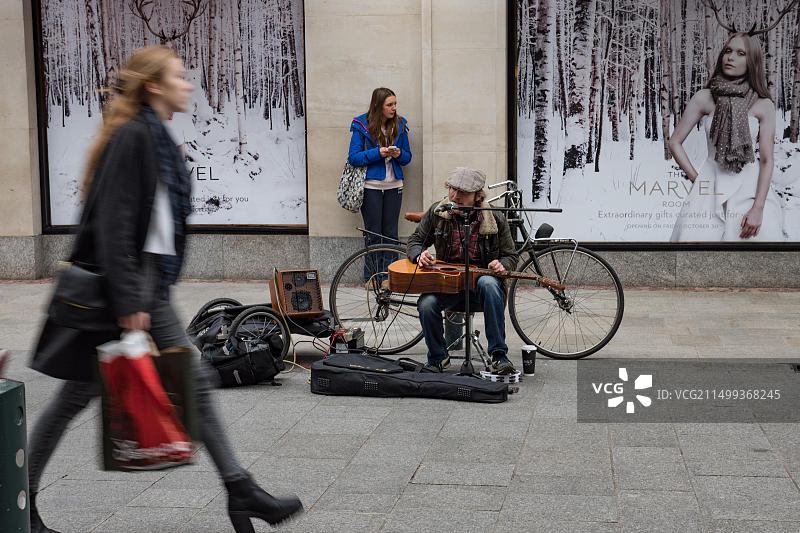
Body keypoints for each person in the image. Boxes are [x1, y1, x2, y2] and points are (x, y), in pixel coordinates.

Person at [27, 46, 302, 533]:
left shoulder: (151, 136)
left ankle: (240, 491)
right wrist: (131, 302)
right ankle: (18, 500)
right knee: (73, 399)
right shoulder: (134, 136)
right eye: (179, 76)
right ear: (154, 85)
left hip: (146, 284)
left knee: (193, 380)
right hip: (127, 289)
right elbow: (114, 224)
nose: (188, 84)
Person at [668, 32, 784, 242]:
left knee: (756, 261)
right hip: (709, 187)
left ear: (752, 62)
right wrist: (698, 181)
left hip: (749, 190)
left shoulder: (763, 105)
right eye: (728, 51)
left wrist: (758, 208)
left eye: (741, 53)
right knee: (695, 257)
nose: (731, 57)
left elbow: (767, 160)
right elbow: (674, 142)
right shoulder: (704, 97)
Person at [407, 167, 519, 374]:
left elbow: (511, 255)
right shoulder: (438, 213)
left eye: (464, 193)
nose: (456, 196)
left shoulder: (494, 219)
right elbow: (415, 241)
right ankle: (438, 358)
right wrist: (419, 254)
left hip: (482, 290)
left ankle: (499, 357)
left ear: (477, 197)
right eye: (453, 189)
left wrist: (502, 265)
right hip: (447, 286)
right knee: (426, 303)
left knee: (488, 282)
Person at [348, 87, 412, 281]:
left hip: (394, 186)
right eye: (389, 105)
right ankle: (372, 278)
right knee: (373, 234)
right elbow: (354, 157)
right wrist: (379, 153)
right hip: (371, 187)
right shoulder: (361, 125)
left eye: (395, 104)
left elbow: (408, 158)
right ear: (378, 105)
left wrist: (399, 154)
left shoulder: (400, 125)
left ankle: (389, 278)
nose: (394, 108)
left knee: (391, 234)